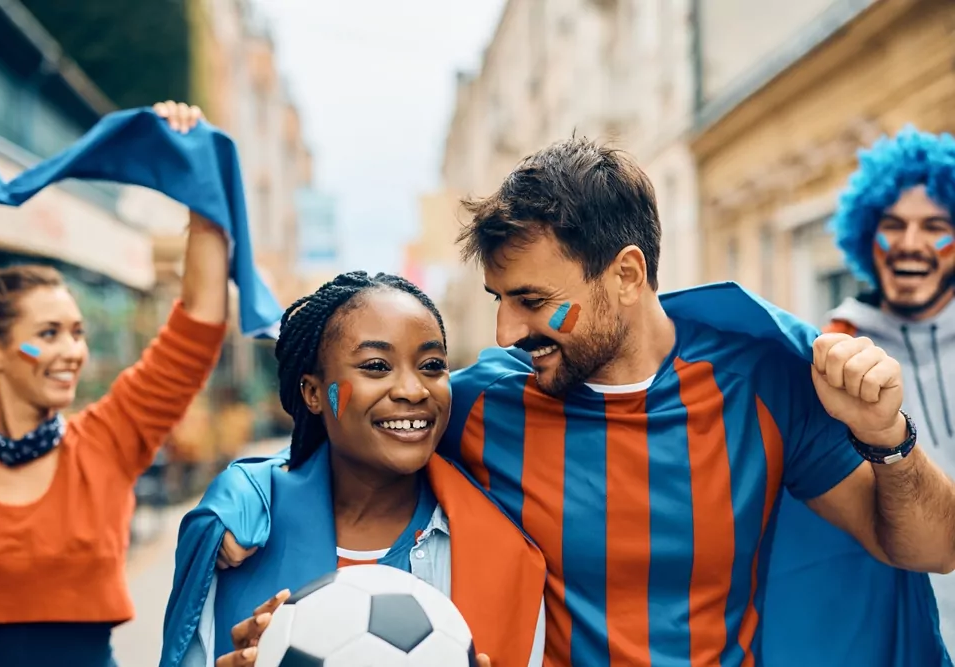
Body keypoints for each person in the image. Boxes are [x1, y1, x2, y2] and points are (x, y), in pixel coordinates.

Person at [217, 137, 955, 666]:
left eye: (533, 300)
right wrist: (246, 493)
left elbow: (930, 546)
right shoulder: (477, 404)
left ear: (627, 274)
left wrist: (888, 437)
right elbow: (344, 458)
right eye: (499, 301)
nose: (506, 331)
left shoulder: (762, 381)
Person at [0, 102, 228, 667]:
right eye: (48, 333)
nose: (73, 352)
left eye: (78, 333)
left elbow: (198, 324)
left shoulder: (107, 442)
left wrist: (193, 174)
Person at [161, 272, 546, 667]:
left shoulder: (505, 555)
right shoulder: (238, 539)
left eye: (432, 365)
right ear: (313, 393)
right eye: (377, 366)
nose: (413, 390)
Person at [764, 126, 955, 664]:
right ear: (867, 238)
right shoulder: (833, 352)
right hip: (901, 630)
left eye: (935, 227)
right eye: (892, 226)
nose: (911, 243)